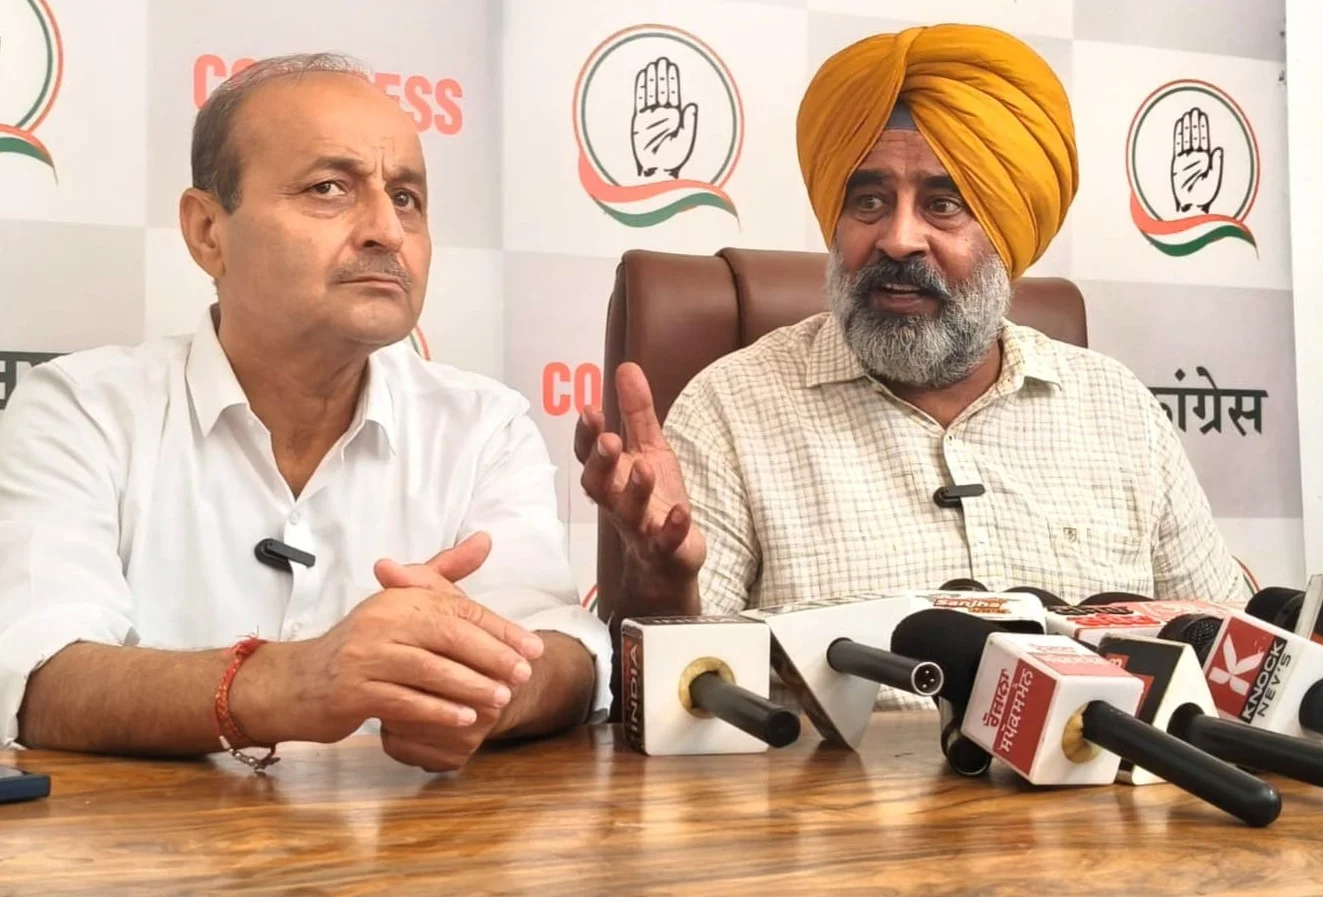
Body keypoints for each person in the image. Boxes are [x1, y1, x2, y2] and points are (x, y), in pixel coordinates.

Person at [575, 24, 1250, 708]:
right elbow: (674, 699)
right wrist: (662, 586)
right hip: (832, 779)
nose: (898, 238)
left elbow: (1229, 656)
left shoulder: (1117, 409)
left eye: (942, 204)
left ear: (1007, 233)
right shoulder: (731, 408)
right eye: (868, 202)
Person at [0, 53, 609, 771]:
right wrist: (295, 681)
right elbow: (38, 678)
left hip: (408, 837)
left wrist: (481, 691)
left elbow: (567, 652)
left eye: (406, 198)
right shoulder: (81, 410)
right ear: (207, 231)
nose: (387, 230)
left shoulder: (481, 425)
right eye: (329, 189)